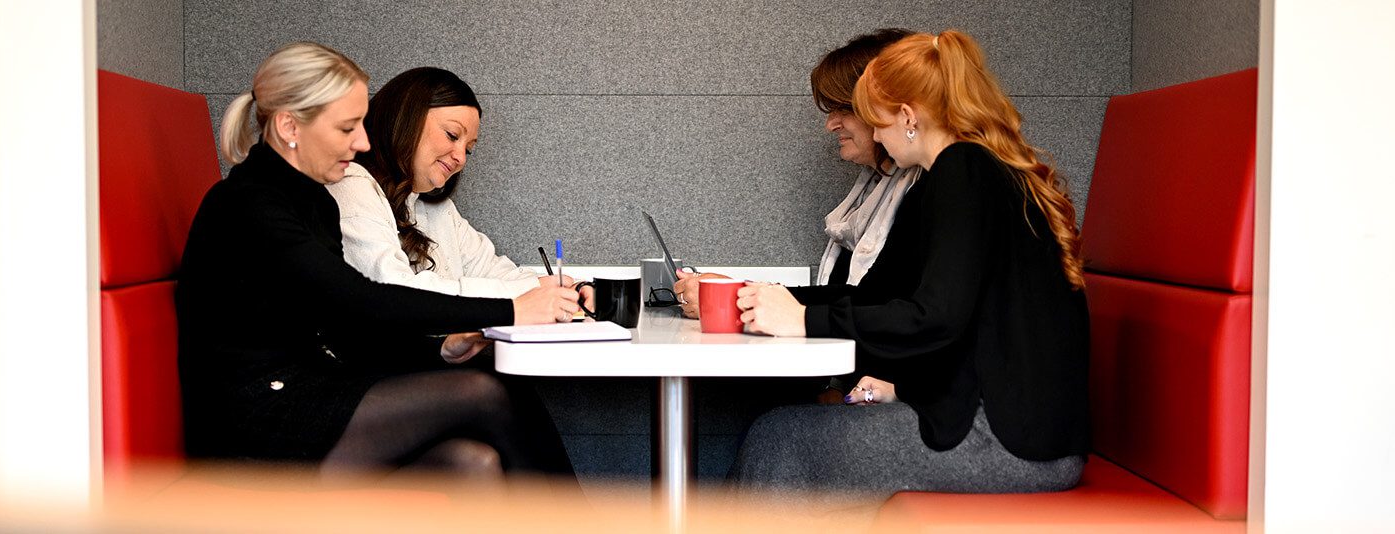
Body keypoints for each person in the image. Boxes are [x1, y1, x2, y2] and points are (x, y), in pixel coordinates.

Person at [725, 29, 1090, 522]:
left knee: (779, 440)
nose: (874, 136)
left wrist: (805, 322)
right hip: (1011, 426)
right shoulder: (954, 179)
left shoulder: (964, 171)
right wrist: (768, 301)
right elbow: (881, 297)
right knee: (791, 433)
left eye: (876, 121)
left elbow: (935, 317)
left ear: (908, 116)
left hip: (1012, 442)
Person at [176, 42, 580, 485]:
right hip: (254, 420)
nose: (364, 142)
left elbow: (344, 329)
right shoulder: (250, 204)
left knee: (471, 462)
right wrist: (513, 311)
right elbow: (362, 301)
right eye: (349, 127)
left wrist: (440, 349)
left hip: (309, 391)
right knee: (486, 390)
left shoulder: (312, 201)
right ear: (290, 125)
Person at [675, 28, 921, 403]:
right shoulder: (880, 190)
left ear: (896, 109)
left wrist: (746, 299)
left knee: (770, 433)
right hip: (867, 387)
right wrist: (744, 295)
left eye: (843, 108)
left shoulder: (928, 191)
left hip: (898, 400)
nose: (831, 124)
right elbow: (865, 299)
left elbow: (889, 311)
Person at [326, 67, 573, 298]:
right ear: (406, 119)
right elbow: (394, 292)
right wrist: (530, 292)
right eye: (452, 135)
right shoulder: (353, 186)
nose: (460, 158)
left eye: (469, 149)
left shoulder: (437, 209)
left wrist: (572, 289)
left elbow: (492, 269)